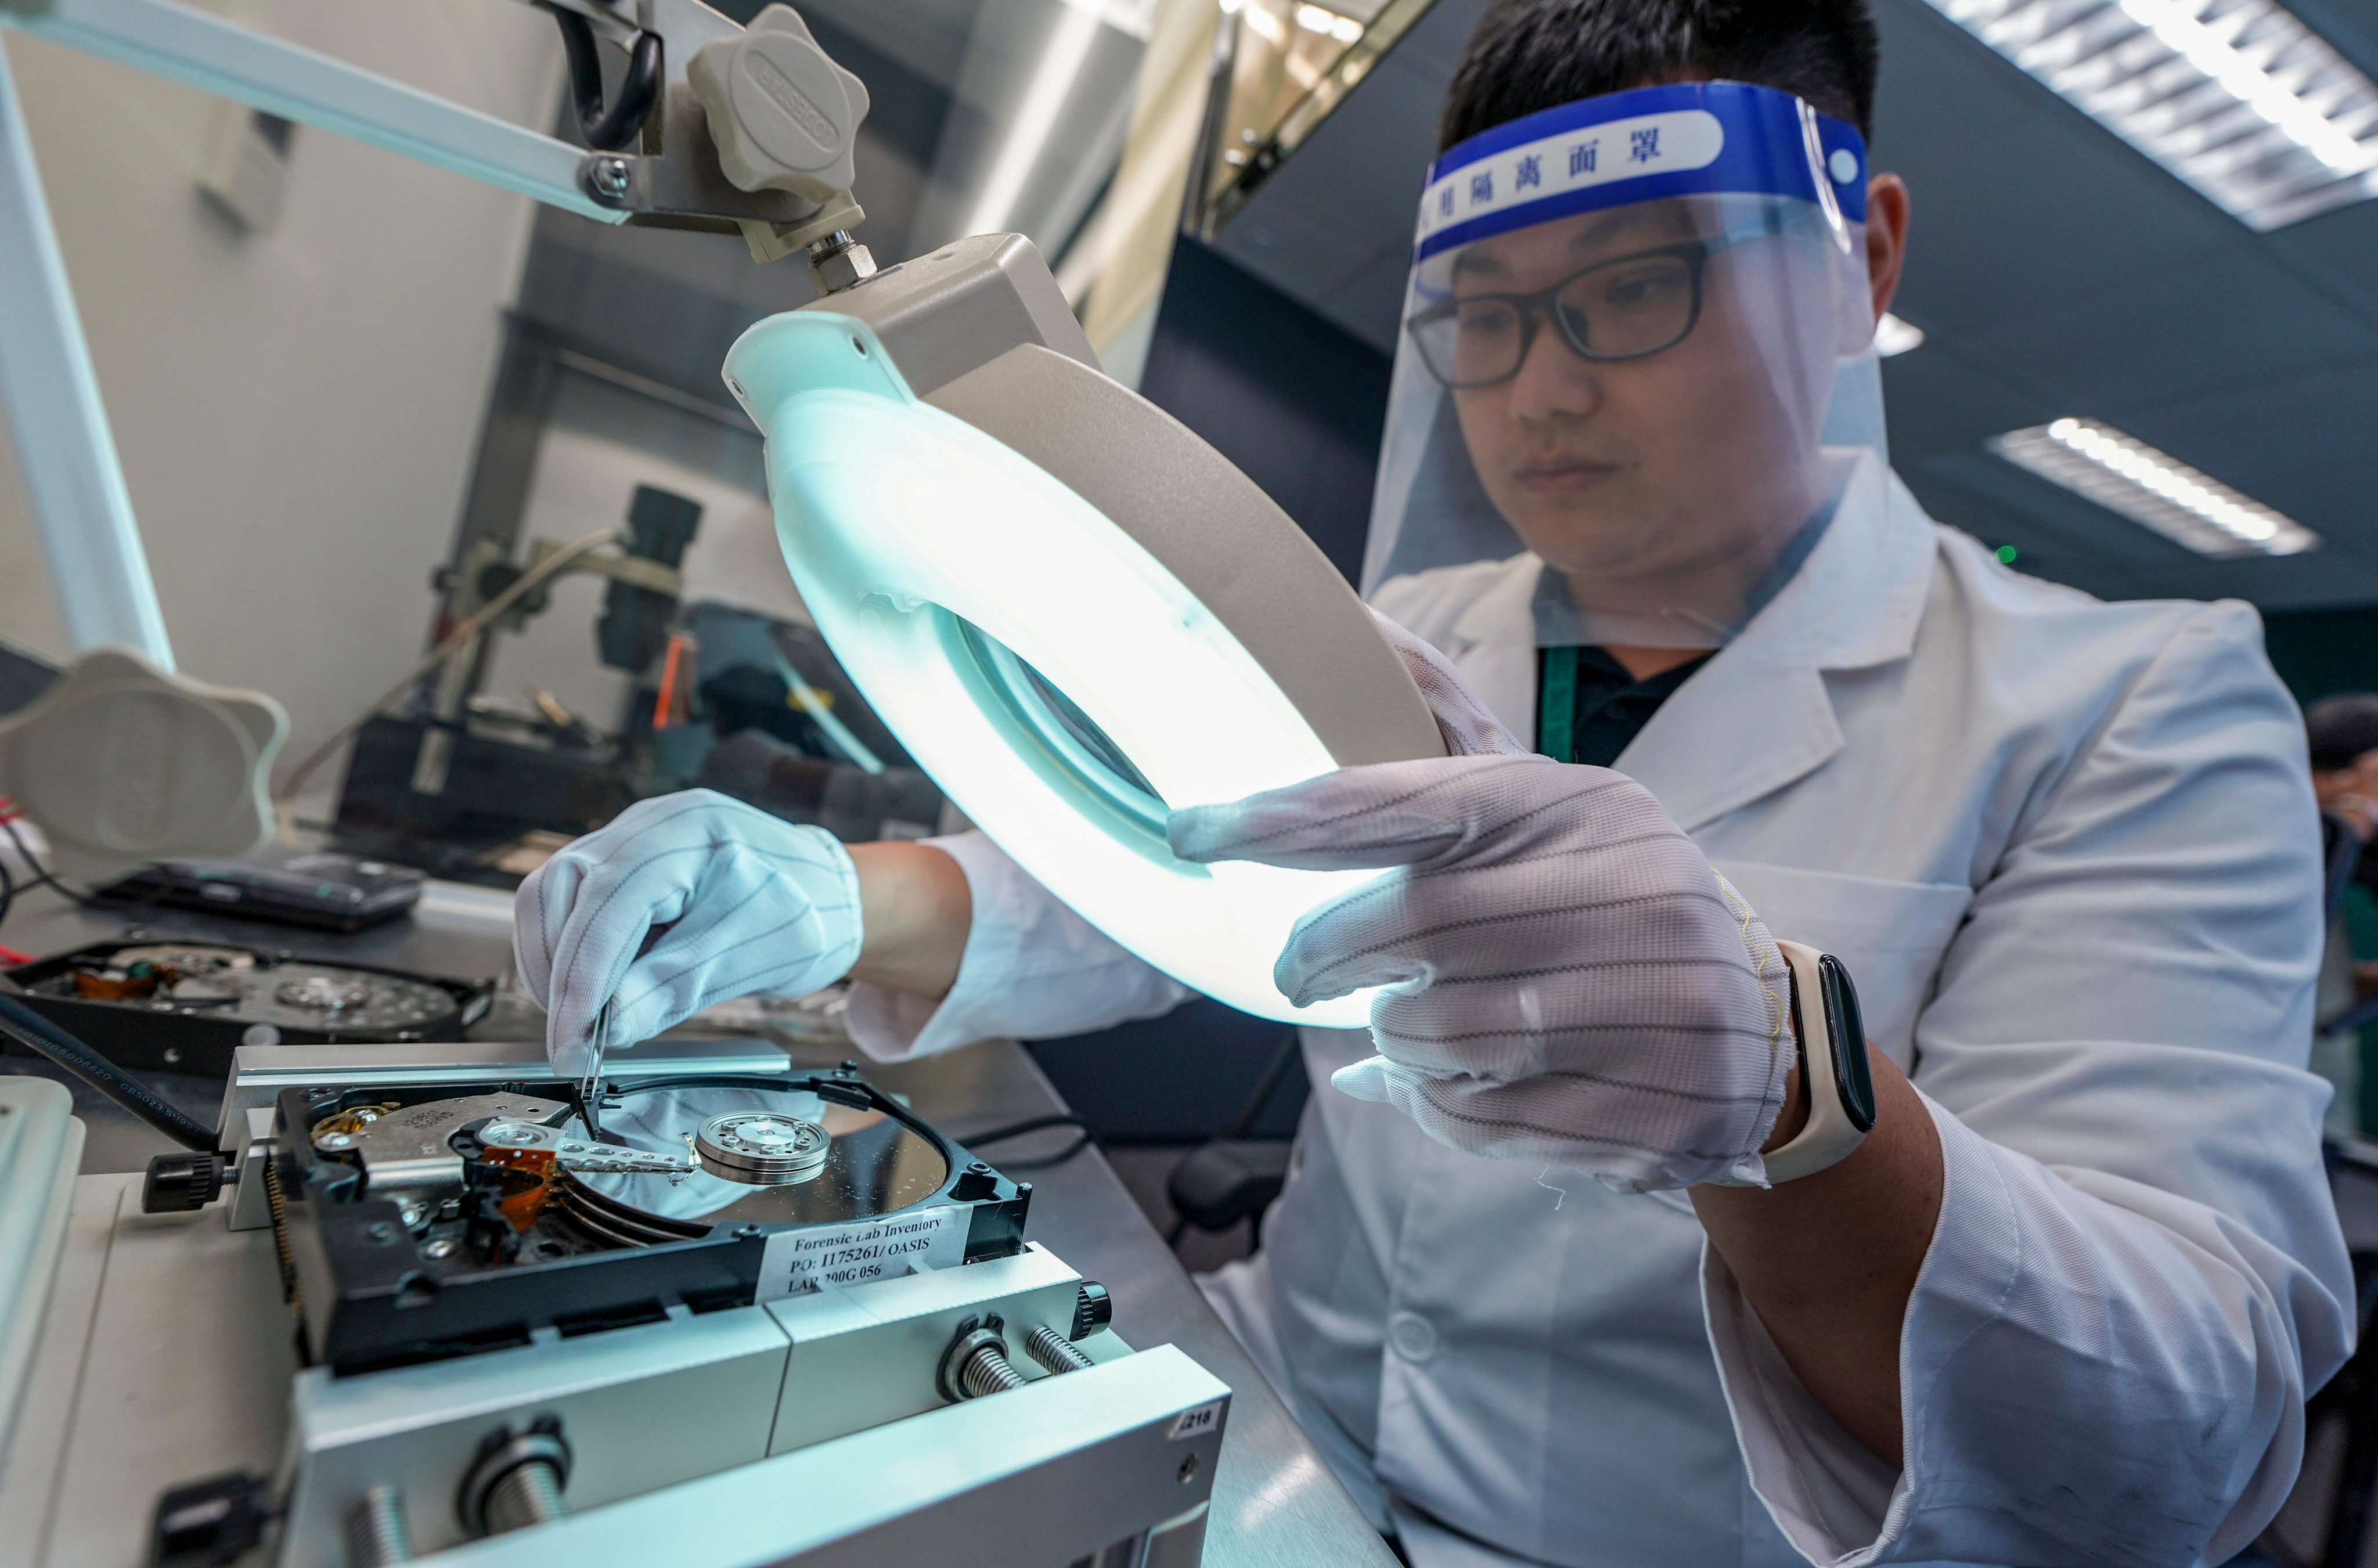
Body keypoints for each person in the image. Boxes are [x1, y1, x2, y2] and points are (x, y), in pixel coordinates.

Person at [513, 2, 2353, 1563]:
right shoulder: (1419, 624)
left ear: (1858, 260)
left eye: (1633, 290)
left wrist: (1791, 1102)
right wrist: (842, 895)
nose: (1538, 390)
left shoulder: (2134, 703)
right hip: (1280, 1444)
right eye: (1482, 310)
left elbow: (2170, 1431)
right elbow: (1168, 875)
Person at [2306, 693, 2378, 1141]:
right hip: (2269, 1127)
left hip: (2330, 1120)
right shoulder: (2282, 845)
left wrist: (2353, 985)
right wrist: (2360, 806)